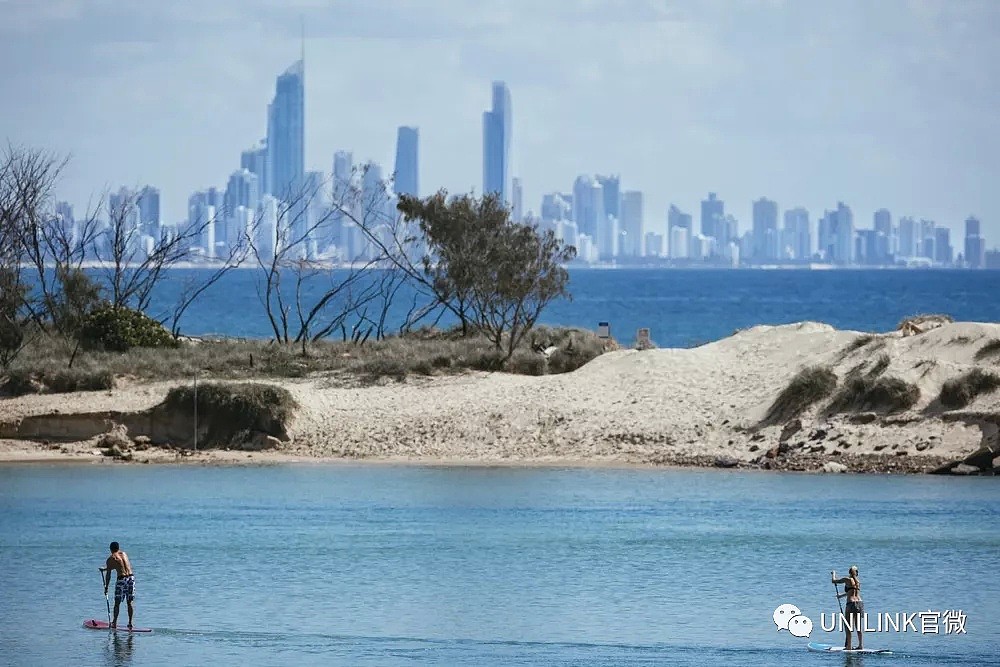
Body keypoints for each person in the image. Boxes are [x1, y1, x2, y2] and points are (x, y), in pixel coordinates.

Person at [102, 541, 135, 629]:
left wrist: (106, 587)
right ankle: (130, 623)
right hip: (131, 578)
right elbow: (120, 566)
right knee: (129, 602)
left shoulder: (111, 558)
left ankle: (114, 623)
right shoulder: (124, 554)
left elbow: (108, 575)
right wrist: (105, 569)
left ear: (110, 549)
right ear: (118, 548)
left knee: (117, 602)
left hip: (122, 580)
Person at [832, 566, 863, 650]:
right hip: (860, 603)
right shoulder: (858, 582)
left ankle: (848, 646)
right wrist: (841, 596)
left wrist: (833, 573)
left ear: (849, 572)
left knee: (848, 626)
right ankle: (860, 645)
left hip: (851, 604)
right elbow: (851, 591)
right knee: (858, 626)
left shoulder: (847, 579)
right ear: (857, 573)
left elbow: (834, 581)